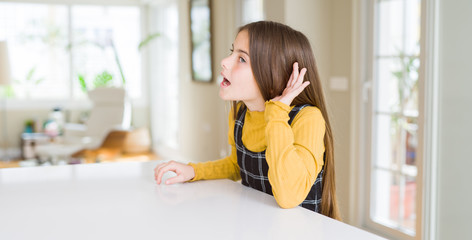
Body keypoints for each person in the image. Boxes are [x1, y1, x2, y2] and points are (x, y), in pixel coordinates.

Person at [154, 21, 341, 220]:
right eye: (231, 52)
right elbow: (238, 166)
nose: (224, 61)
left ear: (274, 75)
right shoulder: (241, 113)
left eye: (241, 59)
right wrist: (193, 170)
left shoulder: (307, 119)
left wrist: (277, 114)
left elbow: (289, 197)